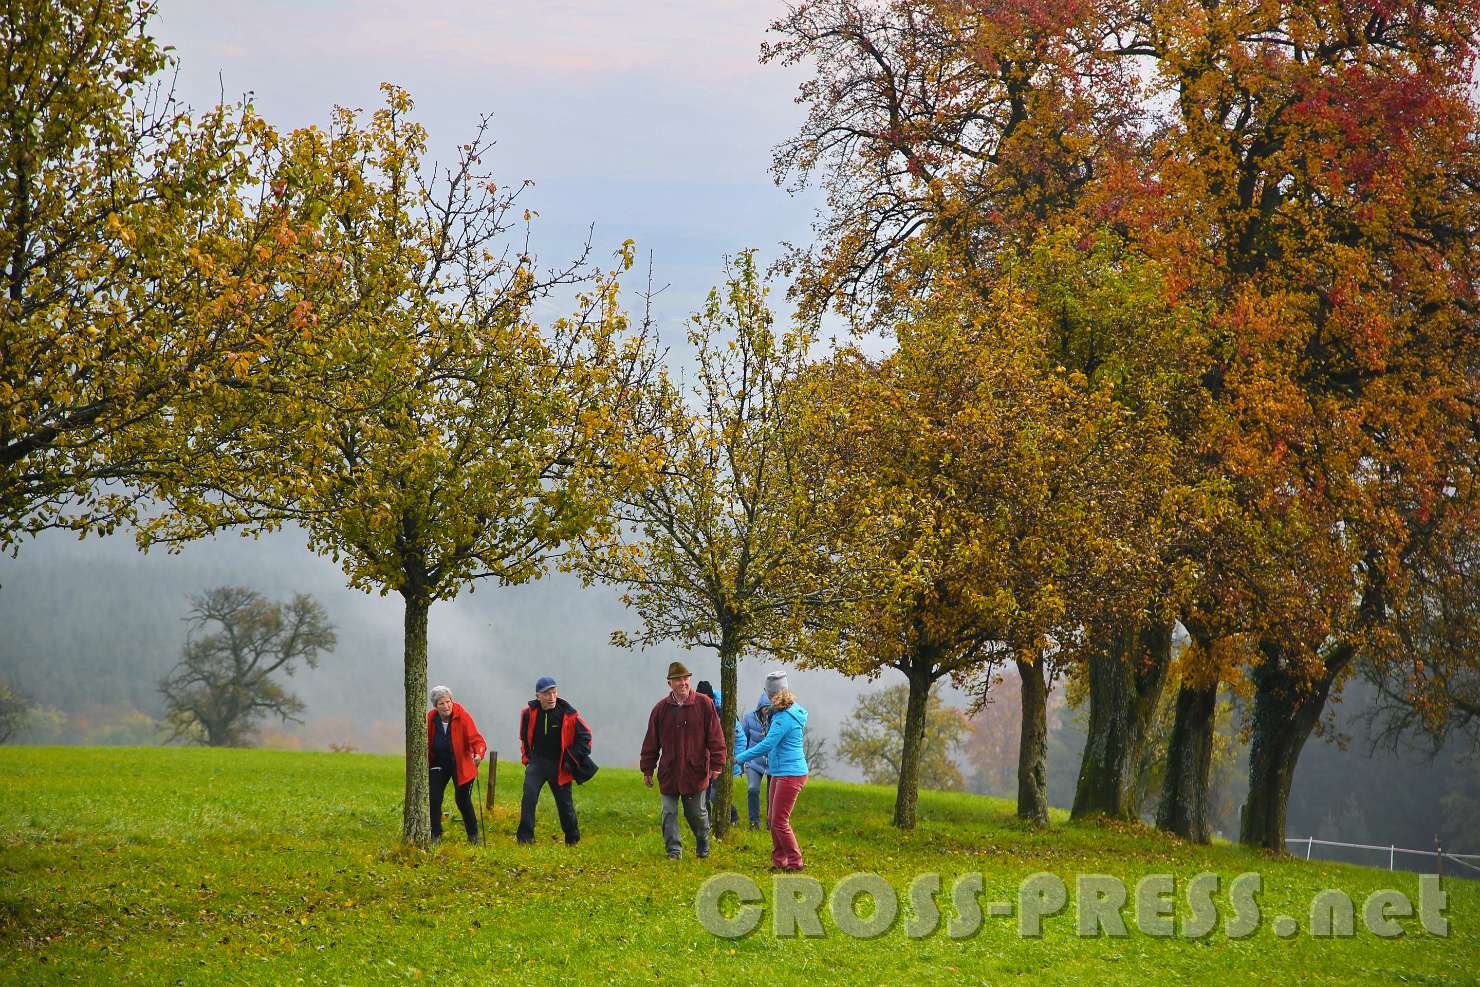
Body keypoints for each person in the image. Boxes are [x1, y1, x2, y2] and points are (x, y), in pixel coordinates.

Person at [639, 661, 726, 860]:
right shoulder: (660, 709)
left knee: (696, 814)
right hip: (668, 773)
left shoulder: (704, 704)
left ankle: (702, 843)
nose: (683, 683)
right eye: (678, 679)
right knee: (668, 813)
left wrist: (717, 764)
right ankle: (674, 851)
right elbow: (651, 742)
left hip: (695, 772)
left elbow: (716, 737)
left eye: (686, 678)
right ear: (669, 683)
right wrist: (647, 769)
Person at [736, 684, 808, 871]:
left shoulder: (784, 717)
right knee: (773, 817)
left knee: (779, 821)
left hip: (790, 773)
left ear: (772, 694)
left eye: (767, 692)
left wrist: (741, 757)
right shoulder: (786, 712)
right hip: (779, 770)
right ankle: (779, 860)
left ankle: (795, 861)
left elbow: (767, 744)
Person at [517, 676, 594, 846]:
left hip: (559, 765)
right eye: (547, 694)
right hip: (536, 763)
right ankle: (524, 839)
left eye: (554, 692)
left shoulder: (568, 714)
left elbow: (586, 736)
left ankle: (572, 839)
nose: (552, 697)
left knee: (565, 805)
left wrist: (571, 760)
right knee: (528, 799)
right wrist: (527, 758)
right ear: (538, 696)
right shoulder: (528, 713)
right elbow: (524, 737)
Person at [426, 685, 487, 844]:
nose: (446, 706)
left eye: (448, 702)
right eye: (441, 703)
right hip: (438, 763)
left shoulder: (462, 716)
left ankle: (473, 835)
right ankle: (435, 835)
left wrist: (479, 754)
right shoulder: (430, 719)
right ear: (435, 706)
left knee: (462, 799)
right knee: (434, 797)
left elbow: (477, 740)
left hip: (462, 764)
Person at [696, 680, 739, 826]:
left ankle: (732, 817)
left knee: (715, 795)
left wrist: (737, 758)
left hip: (719, 760)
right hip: (702, 761)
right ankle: (706, 823)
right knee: (704, 795)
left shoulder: (723, 714)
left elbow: (740, 737)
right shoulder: (695, 712)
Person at [737, 688, 774, 829]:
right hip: (754, 762)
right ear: (760, 706)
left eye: (769, 708)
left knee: (772, 795)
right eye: (765, 708)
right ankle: (754, 822)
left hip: (773, 763)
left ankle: (771, 823)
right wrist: (741, 761)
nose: (767, 711)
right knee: (753, 789)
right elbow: (742, 740)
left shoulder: (777, 719)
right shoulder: (749, 718)